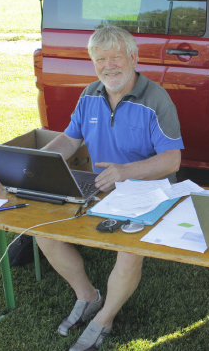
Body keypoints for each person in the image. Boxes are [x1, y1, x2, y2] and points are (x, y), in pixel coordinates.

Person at [36, 25, 184, 351]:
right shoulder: (90, 93)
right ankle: (87, 296)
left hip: (148, 190)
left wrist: (126, 172)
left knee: (128, 250)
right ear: (93, 63)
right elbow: (69, 140)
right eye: (100, 59)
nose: (109, 65)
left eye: (116, 57)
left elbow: (173, 160)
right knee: (42, 231)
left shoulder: (157, 98)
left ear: (133, 57)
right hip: (101, 187)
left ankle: (105, 318)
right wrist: (36, 162)